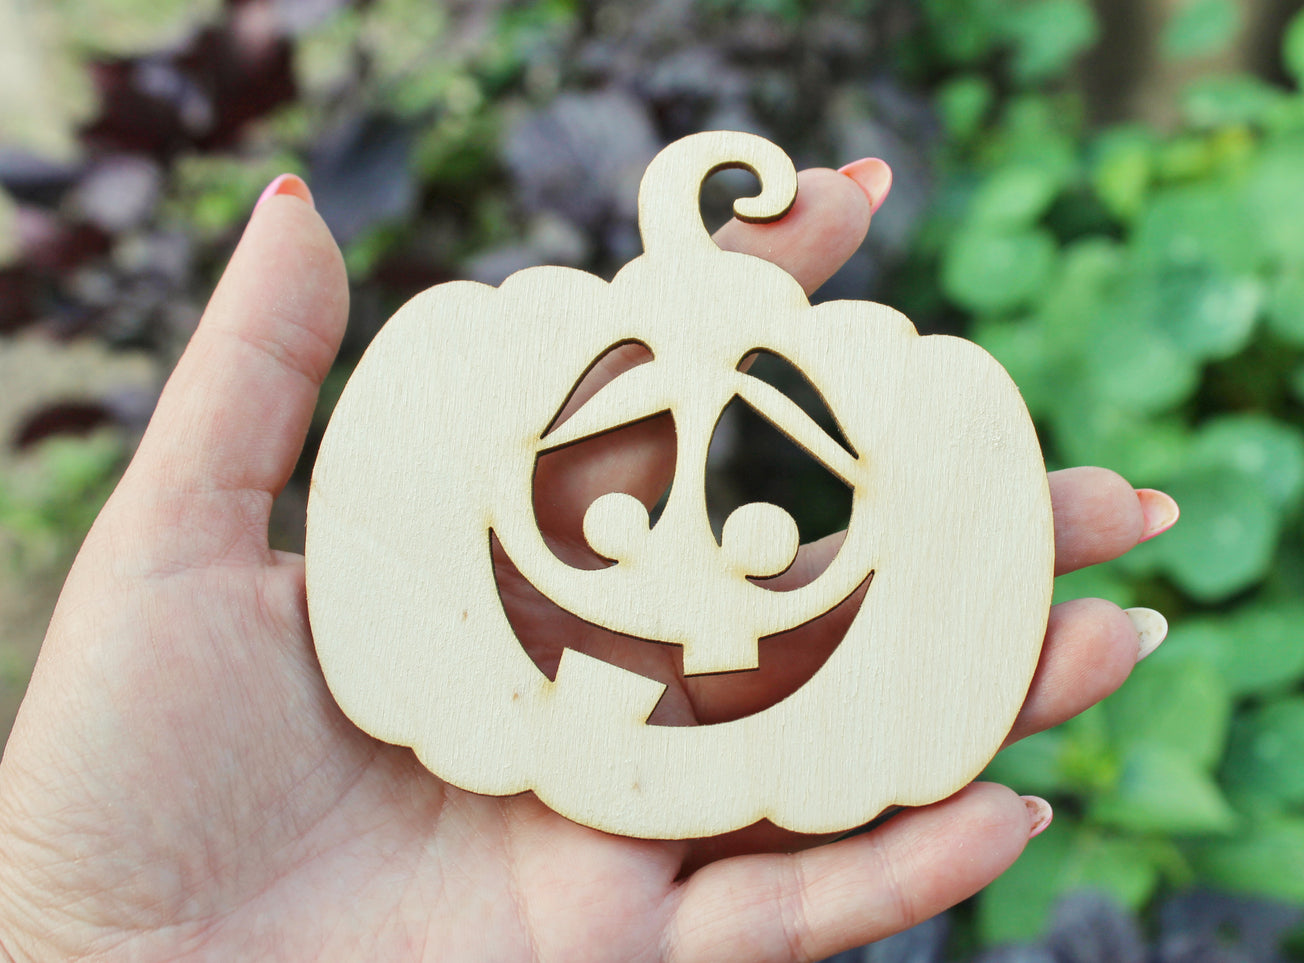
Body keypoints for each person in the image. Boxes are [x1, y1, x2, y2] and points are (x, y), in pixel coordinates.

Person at [0, 163, 1177, 961]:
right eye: (617, 533)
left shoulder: (927, 428)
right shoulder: (468, 384)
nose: (683, 575)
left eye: (758, 543)